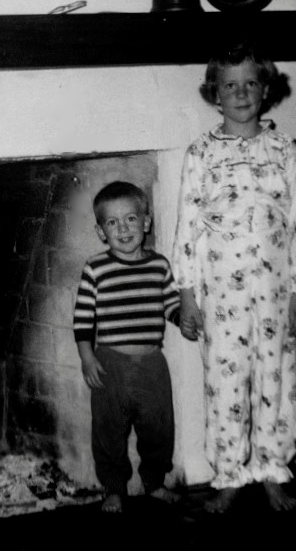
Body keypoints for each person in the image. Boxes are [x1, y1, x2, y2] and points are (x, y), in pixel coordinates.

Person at [172, 41, 296, 514]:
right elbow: (187, 226)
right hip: (220, 292)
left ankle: (273, 470)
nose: (241, 92)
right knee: (226, 382)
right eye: (230, 85)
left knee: (277, 380)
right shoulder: (201, 154)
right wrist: (187, 294)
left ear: (266, 90)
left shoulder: (284, 150)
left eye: (250, 82)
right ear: (215, 94)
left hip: (275, 293)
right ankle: (231, 474)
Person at [73, 181, 181, 514]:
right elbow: (82, 319)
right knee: (108, 430)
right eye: (112, 222)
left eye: (131, 219)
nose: (123, 228)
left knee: (159, 426)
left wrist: (185, 318)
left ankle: (155, 483)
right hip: (110, 362)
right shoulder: (96, 269)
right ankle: (114, 488)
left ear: (146, 222)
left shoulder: (160, 266)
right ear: (100, 230)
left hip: (151, 361)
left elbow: (172, 304)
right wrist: (87, 357)